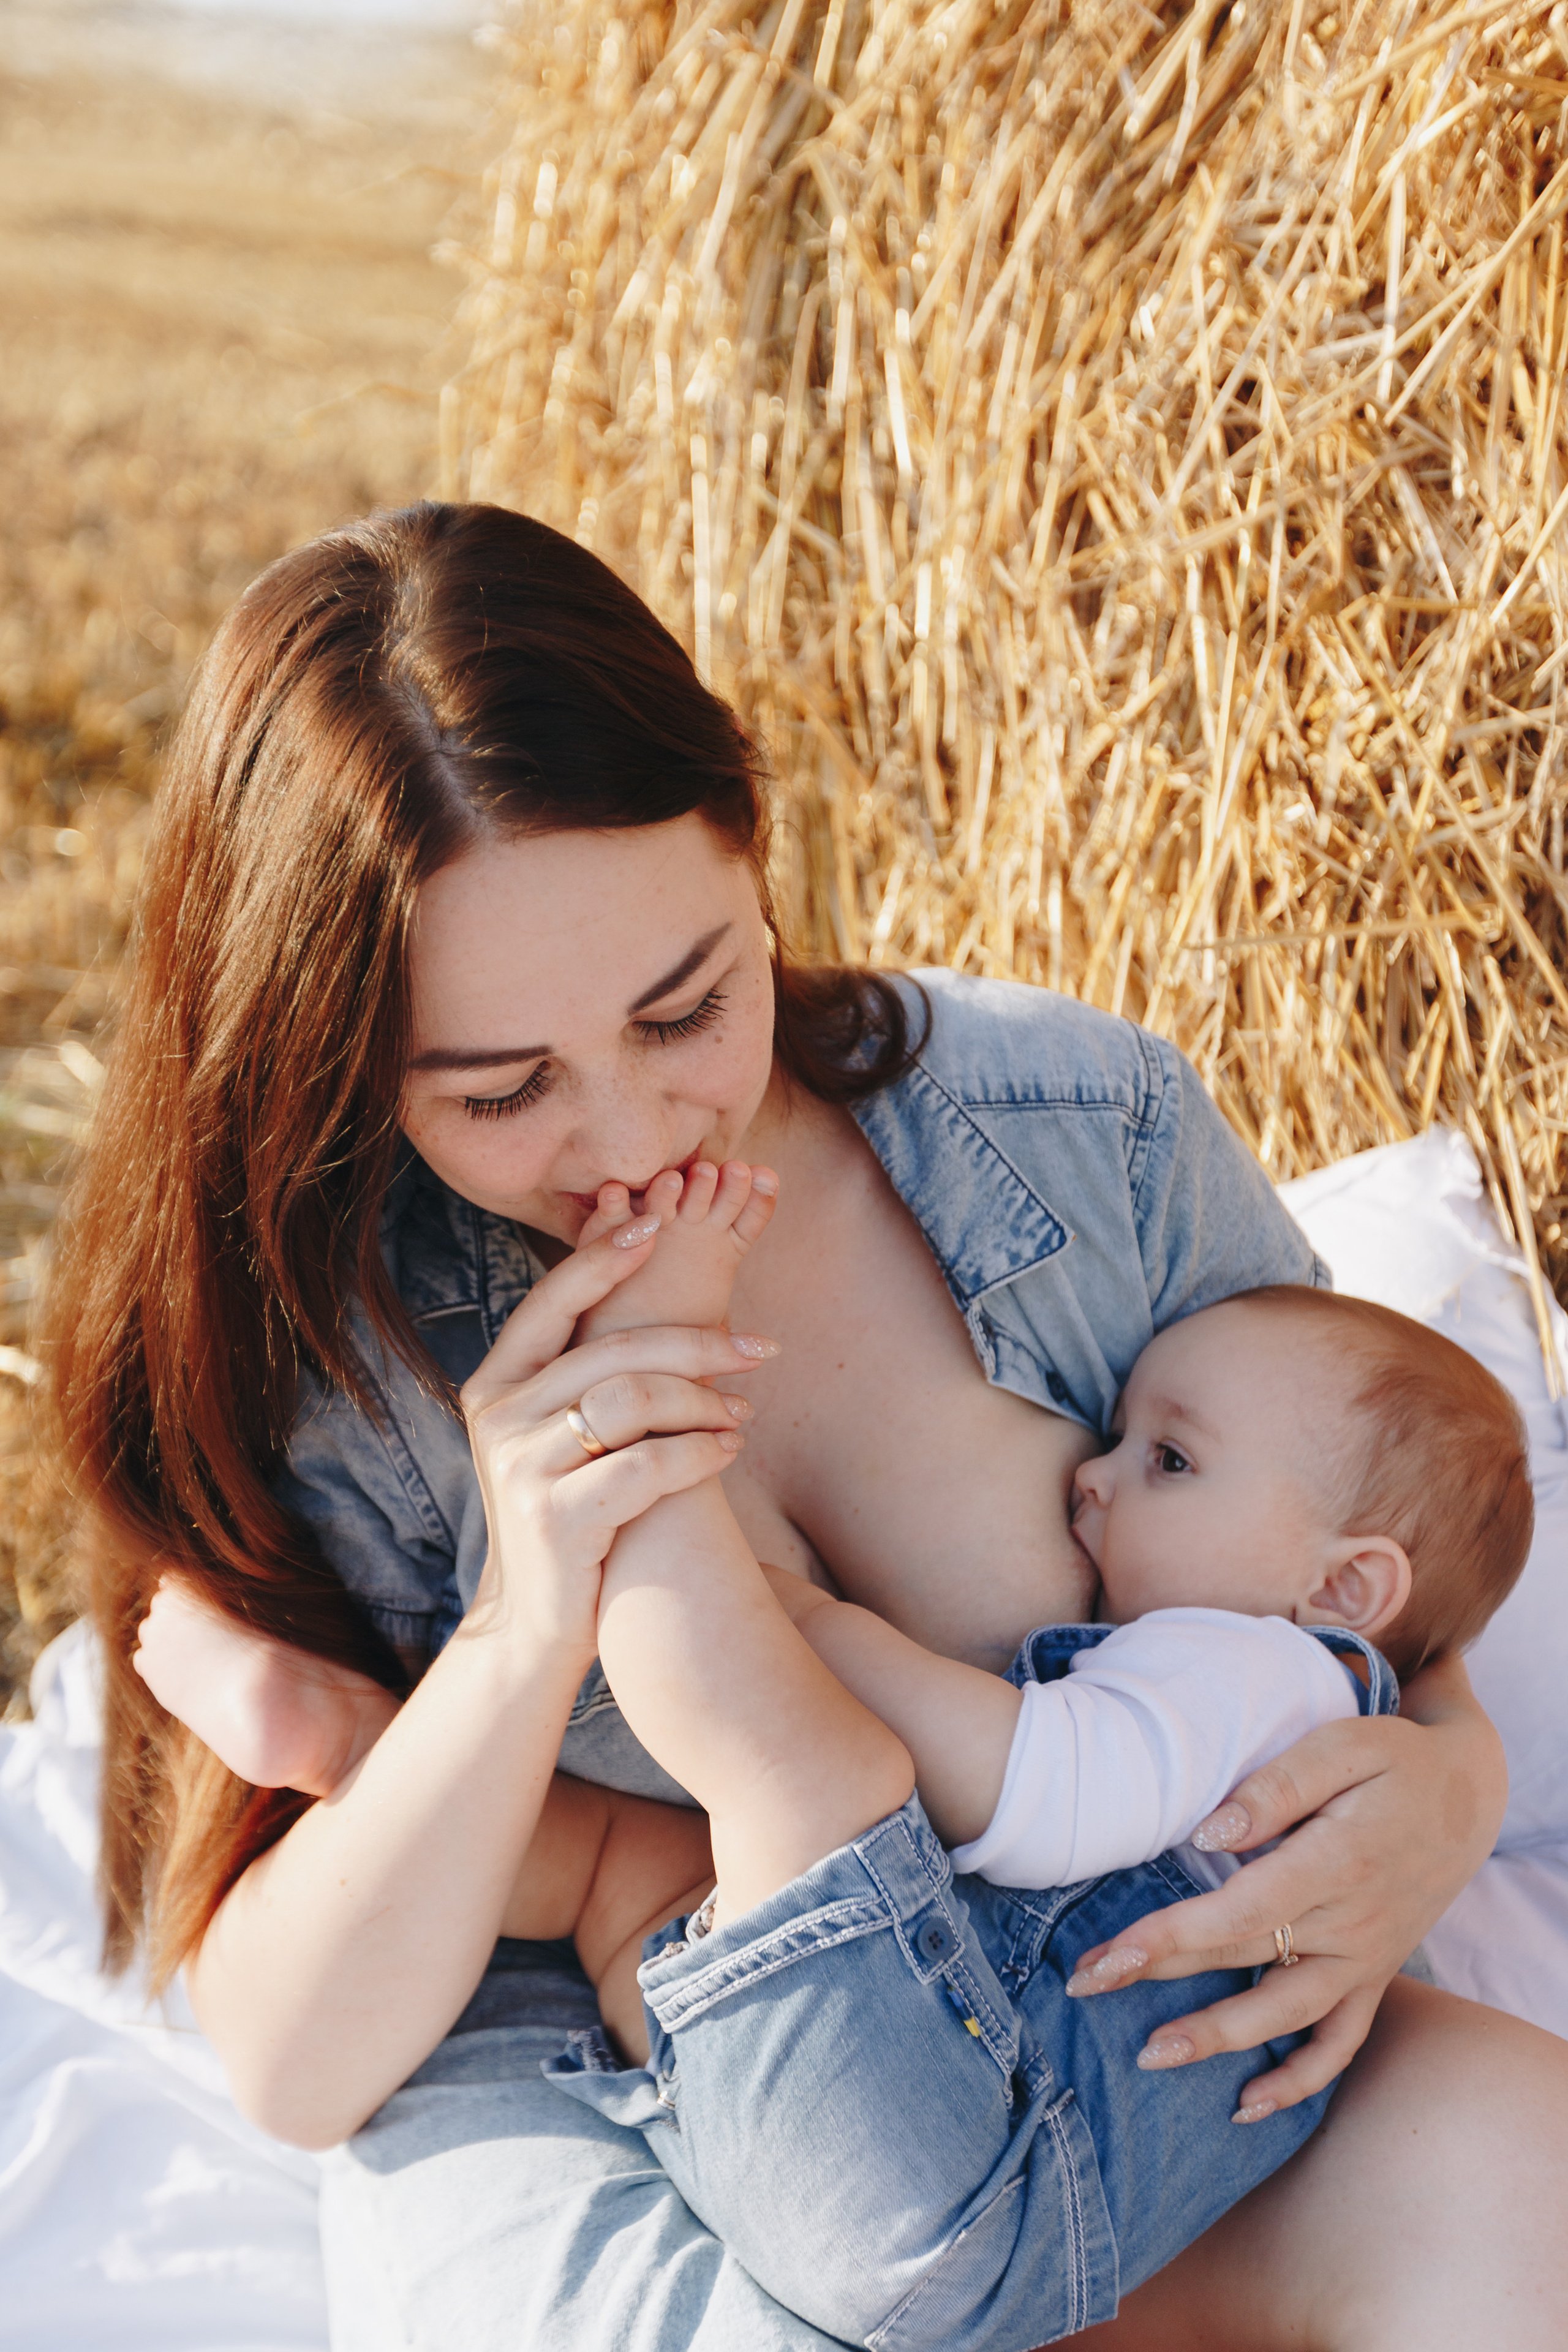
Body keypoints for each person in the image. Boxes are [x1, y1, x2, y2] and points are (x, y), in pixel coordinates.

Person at [55, 501, 1568, 2351]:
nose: (633, 1142)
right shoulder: (327, 1353)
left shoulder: (1085, 1130)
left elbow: (1375, 1591)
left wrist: (1446, 1793)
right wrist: (528, 1618)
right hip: (621, 2079)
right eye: (502, 1091)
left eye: (689, 1005)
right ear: (343, 1057)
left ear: (754, 848)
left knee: (1532, 2189)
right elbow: (295, 2060)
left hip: (1099, 2026)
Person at [145, 1197, 1532, 2348]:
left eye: (1167, 1460)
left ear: (1346, 1591)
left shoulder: (1261, 1671)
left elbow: (1045, 1789)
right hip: (929, 2191)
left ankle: (647, 1417)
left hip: (969, 2160)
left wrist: (810, 1631)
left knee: (801, 1767)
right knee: (627, 1863)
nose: (1093, 1476)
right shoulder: (1272, 1651)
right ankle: (365, 1756)